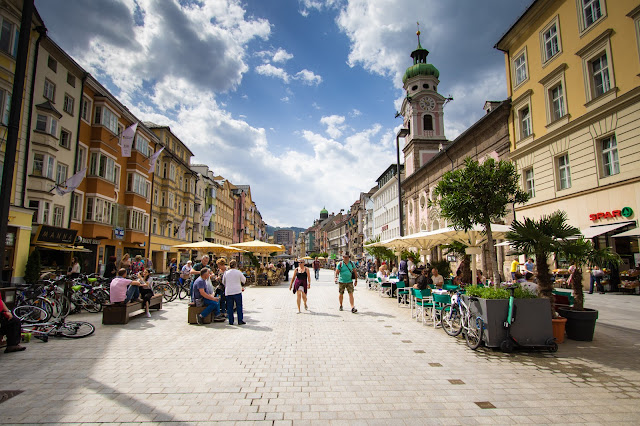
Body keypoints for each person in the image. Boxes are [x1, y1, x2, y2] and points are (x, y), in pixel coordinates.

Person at [223, 260, 246, 325]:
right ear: (236, 265)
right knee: (239, 306)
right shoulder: (238, 272)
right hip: (237, 291)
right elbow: (244, 280)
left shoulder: (226, 273)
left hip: (228, 291)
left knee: (230, 307)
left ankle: (231, 321)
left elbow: (223, 282)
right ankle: (240, 320)